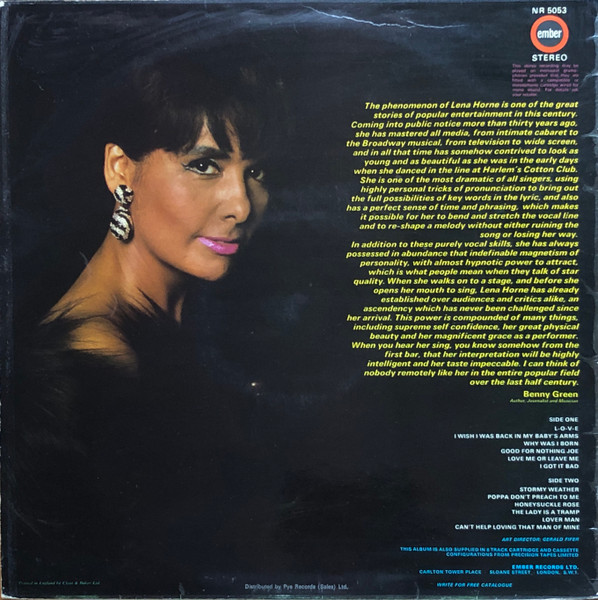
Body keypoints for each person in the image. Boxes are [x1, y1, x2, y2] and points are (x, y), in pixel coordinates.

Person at [6, 54, 287, 595]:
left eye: (256, 172)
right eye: (204, 165)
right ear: (120, 170)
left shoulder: (183, 322)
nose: (241, 206)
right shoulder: (95, 367)